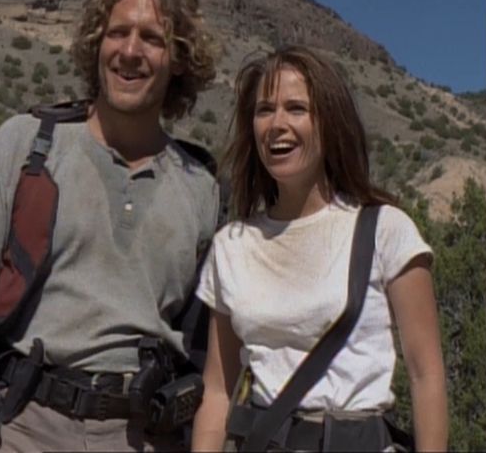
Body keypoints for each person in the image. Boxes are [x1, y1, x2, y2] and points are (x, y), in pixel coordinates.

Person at [0, 0, 220, 452]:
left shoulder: (203, 187)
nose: (130, 51)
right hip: (21, 426)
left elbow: (206, 350)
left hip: (141, 433)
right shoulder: (28, 143)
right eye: (117, 33)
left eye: (152, 38)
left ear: (179, 62)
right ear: (95, 46)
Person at [191, 45, 448, 451]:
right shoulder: (232, 246)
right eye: (264, 110)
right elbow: (218, 390)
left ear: (329, 122)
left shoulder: (385, 230)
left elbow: (425, 374)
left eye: (296, 108)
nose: (277, 125)